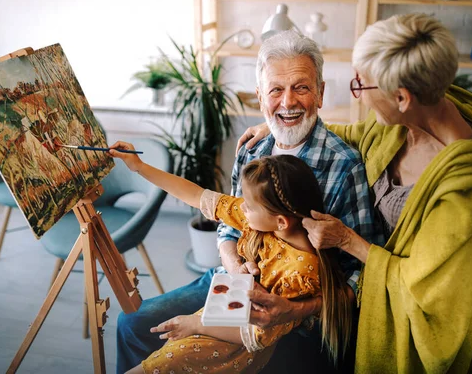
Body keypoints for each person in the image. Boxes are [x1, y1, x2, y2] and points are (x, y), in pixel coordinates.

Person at [237, 13, 472, 373]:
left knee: (432, 357)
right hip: (387, 258)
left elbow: (420, 281)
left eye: (363, 86)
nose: (360, 95)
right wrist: (281, 116)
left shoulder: (461, 191)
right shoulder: (406, 120)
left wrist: (347, 239)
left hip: (429, 288)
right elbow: (356, 132)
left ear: (402, 97)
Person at [116, 30, 383, 373]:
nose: (288, 102)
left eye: (301, 87)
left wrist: (298, 309)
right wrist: (233, 266)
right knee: (132, 324)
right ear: (260, 97)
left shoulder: (344, 165)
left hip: (296, 314)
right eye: (276, 90)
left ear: (320, 93)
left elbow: (360, 275)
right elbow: (227, 223)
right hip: (232, 283)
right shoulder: (252, 149)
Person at [109, 148, 354, 373]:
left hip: (228, 349)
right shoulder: (265, 220)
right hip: (213, 318)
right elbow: (197, 195)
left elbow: (255, 336)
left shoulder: (300, 272)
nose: (242, 209)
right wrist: (139, 166)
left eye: (248, 206)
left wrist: (196, 324)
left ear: (281, 221)